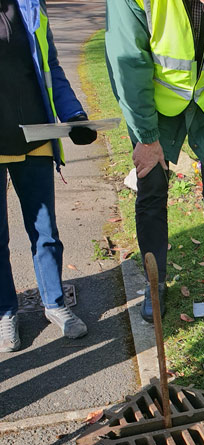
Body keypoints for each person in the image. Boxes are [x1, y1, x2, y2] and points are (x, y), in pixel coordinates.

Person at [105, 0, 204, 324]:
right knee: (151, 187)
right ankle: (156, 284)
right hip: (152, 102)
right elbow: (128, 66)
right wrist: (146, 136)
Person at [0, 0, 97, 353]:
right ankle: (5, 313)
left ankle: (55, 303)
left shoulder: (29, 5)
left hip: (35, 132)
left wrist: (74, 114)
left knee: (44, 230)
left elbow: (50, 65)